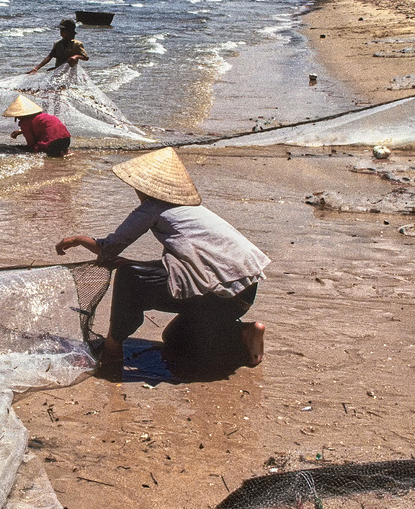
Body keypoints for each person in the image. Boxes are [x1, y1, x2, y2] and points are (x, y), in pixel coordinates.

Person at [56, 147, 268, 369]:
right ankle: (243, 333)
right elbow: (193, 266)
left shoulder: (152, 208)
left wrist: (78, 239)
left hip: (219, 296)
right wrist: (138, 263)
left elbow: (108, 249)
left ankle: (112, 349)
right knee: (174, 338)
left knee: (129, 278)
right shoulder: (194, 211)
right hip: (242, 295)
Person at [4, 94, 71, 157]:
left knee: (30, 150)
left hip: (52, 143)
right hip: (66, 140)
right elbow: (44, 126)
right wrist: (21, 131)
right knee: (57, 151)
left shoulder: (25, 122)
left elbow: (30, 142)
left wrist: (33, 149)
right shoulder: (42, 116)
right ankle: (63, 151)